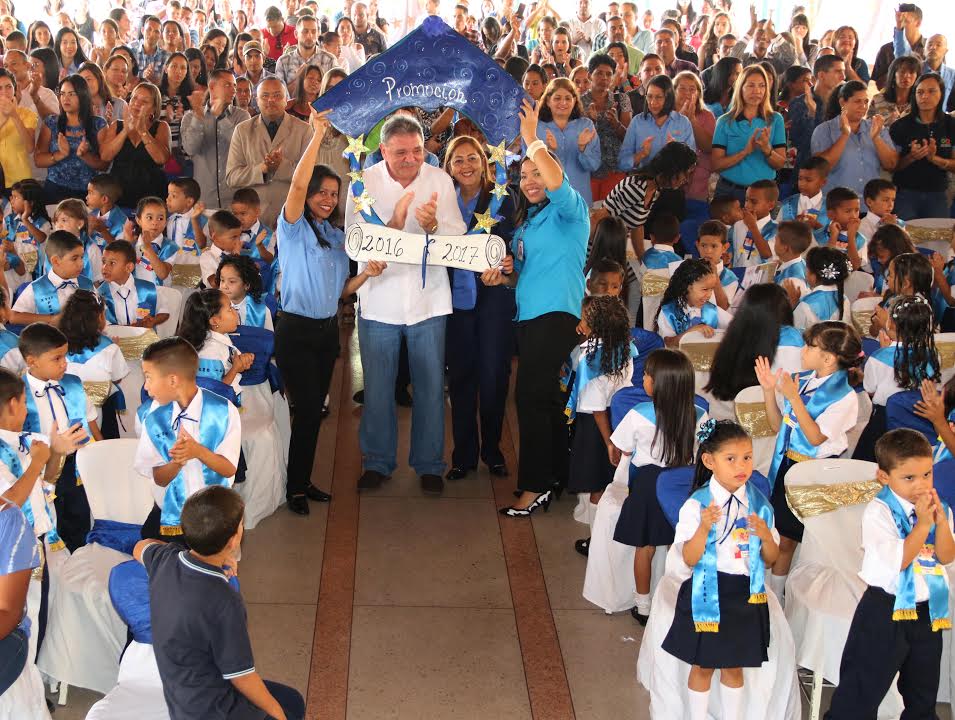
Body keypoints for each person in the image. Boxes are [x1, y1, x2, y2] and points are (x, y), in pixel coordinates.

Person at [344, 113, 463, 495]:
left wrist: (434, 228)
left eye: (416, 150)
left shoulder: (440, 179)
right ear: (383, 150)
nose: (412, 159)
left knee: (429, 386)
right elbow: (353, 238)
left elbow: (458, 237)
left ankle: (429, 464)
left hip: (428, 301)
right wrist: (393, 224)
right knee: (378, 387)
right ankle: (377, 461)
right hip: (379, 298)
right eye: (401, 153)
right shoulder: (363, 183)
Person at [275, 109, 378, 509]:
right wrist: (317, 136)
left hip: (325, 332)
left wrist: (366, 273)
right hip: (296, 331)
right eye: (322, 191)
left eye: (334, 194)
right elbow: (297, 185)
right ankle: (295, 488)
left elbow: (342, 291)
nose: (327, 199)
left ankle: (302, 481)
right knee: (305, 414)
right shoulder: (294, 227)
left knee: (315, 413)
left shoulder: (335, 236)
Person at [133, 487, 305, 720]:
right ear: (234, 540)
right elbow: (241, 677)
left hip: (181, 696)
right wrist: (277, 714)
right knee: (288, 709)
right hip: (213, 709)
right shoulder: (225, 601)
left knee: (291, 699)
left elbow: (140, 547)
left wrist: (218, 556)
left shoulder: (166, 560)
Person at [824, 429, 954, 719]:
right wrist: (923, 526)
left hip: (927, 612)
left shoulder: (937, 507)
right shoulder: (878, 513)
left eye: (927, 475)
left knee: (922, 693)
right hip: (885, 611)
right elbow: (901, 561)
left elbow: (946, 556)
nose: (920, 485)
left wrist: (941, 524)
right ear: (884, 476)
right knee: (861, 690)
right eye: (909, 478)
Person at [661, 420, 778, 720]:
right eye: (731, 459)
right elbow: (688, 557)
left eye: (748, 457)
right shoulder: (697, 504)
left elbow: (771, 558)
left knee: (734, 665)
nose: (742, 466)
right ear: (709, 461)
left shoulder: (759, 504)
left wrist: (765, 536)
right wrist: (703, 528)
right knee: (703, 665)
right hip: (707, 592)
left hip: (745, 595)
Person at [755, 320, 861, 601]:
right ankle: (772, 590)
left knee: (795, 538)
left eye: (810, 346)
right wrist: (769, 391)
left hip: (816, 472)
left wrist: (793, 397)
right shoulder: (803, 380)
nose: (803, 350)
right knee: (780, 533)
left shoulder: (846, 397)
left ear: (827, 357)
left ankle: (778, 594)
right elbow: (780, 426)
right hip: (787, 463)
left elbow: (815, 438)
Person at [609, 348, 708, 623]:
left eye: (647, 375)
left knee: (646, 547)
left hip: (648, 486)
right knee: (679, 546)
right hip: (683, 486)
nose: (643, 378)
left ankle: (643, 605)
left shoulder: (638, 414)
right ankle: (675, 601)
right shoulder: (700, 414)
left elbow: (620, 449)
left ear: (658, 384)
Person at [442, 134, 517, 482]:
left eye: (472, 158)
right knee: (460, 381)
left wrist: (509, 263)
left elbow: (516, 244)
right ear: (449, 167)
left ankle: (493, 451)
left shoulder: (502, 198)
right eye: (458, 160)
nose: (466, 166)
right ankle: (463, 456)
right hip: (454, 304)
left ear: (484, 163)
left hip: (493, 302)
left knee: (493, 379)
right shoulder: (442, 203)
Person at [135, 337, 241, 541]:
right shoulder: (153, 418)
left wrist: (198, 451)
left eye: (149, 377)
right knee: (150, 547)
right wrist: (177, 461)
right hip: (172, 514)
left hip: (214, 514)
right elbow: (159, 477)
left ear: (173, 380)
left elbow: (229, 469)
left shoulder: (223, 411)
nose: (146, 387)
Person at [17, 322, 99, 551]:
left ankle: (78, 559)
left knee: (78, 518)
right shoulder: (17, 394)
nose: (65, 363)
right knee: (49, 522)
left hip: (74, 468)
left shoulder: (72, 384)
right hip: (38, 470)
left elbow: (90, 420)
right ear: (32, 360)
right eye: (57, 358)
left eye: (65, 356)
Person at [566, 294, 633, 555]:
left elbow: (596, 409)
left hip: (596, 429)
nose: (580, 322)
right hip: (619, 418)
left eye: (585, 319)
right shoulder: (624, 350)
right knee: (610, 483)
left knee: (597, 487)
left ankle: (596, 543)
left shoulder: (592, 360)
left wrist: (608, 443)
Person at [854, 295, 939, 462]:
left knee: (868, 460)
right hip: (921, 416)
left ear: (890, 324)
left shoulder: (878, 357)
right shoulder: (933, 355)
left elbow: (870, 390)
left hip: (884, 421)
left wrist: (884, 351)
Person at [226, 77, 314, 228]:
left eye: (277, 95)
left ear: (286, 99)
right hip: (252, 222)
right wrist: (263, 169)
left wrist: (281, 166)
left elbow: (311, 177)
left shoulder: (304, 130)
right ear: (256, 100)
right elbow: (231, 177)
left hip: (291, 216)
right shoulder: (242, 130)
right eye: (265, 96)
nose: (271, 100)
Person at [705, 283, 804, 410]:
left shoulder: (735, 332)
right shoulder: (792, 340)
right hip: (772, 414)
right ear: (784, 310)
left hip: (727, 409)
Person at [598, 140, 698, 258]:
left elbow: (637, 225)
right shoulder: (635, 188)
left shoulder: (655, 189)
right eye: (685, 173)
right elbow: (597, 220)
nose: (686, 179)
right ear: (672, 169)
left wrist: (642, 260)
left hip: (616, 249)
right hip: (601, 251)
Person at [711, 64, 786, 203]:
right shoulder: (724, 121)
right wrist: (745, 152)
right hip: (729, 192)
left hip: (762, 195)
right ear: (740, 88)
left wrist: (767, 150)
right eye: (751, 85)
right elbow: (716, 164)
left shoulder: (775, 119)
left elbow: (780, 163)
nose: (757, 91)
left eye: (762, 85)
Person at [810, 81, 898, 198]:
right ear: (842, 102)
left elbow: (891, 164)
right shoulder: (825, 130)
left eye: (866, 101)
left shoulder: (876, 127)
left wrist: (876, 138)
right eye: (857, 101)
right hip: (837, 206)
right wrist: (845, 135)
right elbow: (821, 169)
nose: (863, 106)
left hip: (870, 206)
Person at [889, 72, 955, 220]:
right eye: (920, 92)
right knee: (904, 240)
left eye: (931, 91)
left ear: (941, 94)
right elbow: (892, 166)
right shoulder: (900, 126)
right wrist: (911, 157)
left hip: (937, 195)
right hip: (905, 194)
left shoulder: (951, 125)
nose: (925, 96)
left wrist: (935, 159)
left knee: (937, 241)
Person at [181, 69, 249, 210]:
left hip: (234, 200)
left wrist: (221, 119)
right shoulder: (190, 117)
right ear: (212, 87)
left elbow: (242, 148)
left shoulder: (242, 116)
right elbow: (190, 149)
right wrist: (198, 118)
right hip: (204, 200)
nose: (233, 90)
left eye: (234, 86)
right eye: (227, 85)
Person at [34, 74, 107, 204]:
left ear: (83, 95)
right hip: (54, 190)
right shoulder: (51, 123)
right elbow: (38, 160)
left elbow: (104, 165)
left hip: (87, 193)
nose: (65, 98)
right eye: (62, 94)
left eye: (71, 94)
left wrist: (85, 156)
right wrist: (60, 154)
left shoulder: (99, 125)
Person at [99, 82, 172, 209]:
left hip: (151, 197)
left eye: (144, 101)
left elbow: (161, 158)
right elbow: (105, 156)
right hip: (119, 195)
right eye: (135, 98)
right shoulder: (117, 125)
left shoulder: (161, 126)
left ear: (154, 109)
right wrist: (125, 131)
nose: (137, 103)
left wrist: (142, 131)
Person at [535, 77, 600, 206]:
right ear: (548, 101)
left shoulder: (586, 126)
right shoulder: (537, 128)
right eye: (557, 98)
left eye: (568, 98)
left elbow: (594, 165)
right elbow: (530, 168)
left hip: (580, 200)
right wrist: (550, 153)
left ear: (575, 100)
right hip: (547, 201)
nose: (563, 103)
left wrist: (582, 148)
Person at [10, 230, 93, 326]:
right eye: (74, 258)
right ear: (56, 261)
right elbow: (14, 317)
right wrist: (51, 319)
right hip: (50, 339)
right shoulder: (37, 288)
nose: (81, 263)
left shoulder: (87, 284)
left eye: (82, 257)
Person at [618, 74, 695, 175]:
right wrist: (641, 154)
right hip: (643, 185)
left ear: (669, 98)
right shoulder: (637, 122)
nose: (653, 102)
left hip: (673, 186)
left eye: (659, 97)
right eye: (649, 96)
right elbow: (621, 163)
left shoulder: (683, 123)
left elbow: (692, 163)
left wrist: (675, 152)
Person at [581, 54, 632, 203]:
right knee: (589, 216)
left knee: (609, 218)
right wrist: (589, 120)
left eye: (609, 74)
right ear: (590, 75)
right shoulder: (578, 102)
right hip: (587, 171)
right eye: (599, 73)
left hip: (615, 169)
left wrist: (616, 124)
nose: (604, 78)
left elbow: (628, 139)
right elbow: (575, 139)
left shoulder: (621, 99)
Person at [787, 54, 846, 175]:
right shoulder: (799, 103)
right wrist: (812, 113)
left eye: (844, 72)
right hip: (809, 174)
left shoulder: (844, 104)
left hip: (838, 172)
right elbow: (801, 143)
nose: (843, 77)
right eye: (838, 71)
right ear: (821, 75)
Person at [655, 258, 732, 344]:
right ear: (686, 287)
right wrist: (689, 333)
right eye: (705, 289)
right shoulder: (669, 312)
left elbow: (735, 325)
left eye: (712, 289)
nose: (709, 294)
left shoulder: (711, 310)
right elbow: (667, 343)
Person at [98, 239, 169, 328]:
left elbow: (164, 311)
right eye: (104, 262)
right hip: (115, 340)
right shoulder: (99, 295)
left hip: (144, 340)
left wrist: (153, 321)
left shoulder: (148, 289)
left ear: (129, 267)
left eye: (112, 263)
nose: (105, 267)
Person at [872, 3, 925, 91]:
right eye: (898, 22)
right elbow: (877, 82)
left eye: (905, 21)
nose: (901, 25)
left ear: (918, 23)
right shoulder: (886, 49)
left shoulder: (931, 48)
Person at [275, 15, 337, 89]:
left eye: (314, 32)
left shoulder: (330, 60)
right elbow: (279, 95)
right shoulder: (283, 61)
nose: (309, 35)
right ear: (296, 34)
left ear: (318, 34)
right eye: (305, 31)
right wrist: (297, 79)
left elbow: (336, 93)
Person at [0, 68, 36, 192]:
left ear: (15, 89)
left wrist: (14, 115)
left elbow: (30, 147)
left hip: (19, 181)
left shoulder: (28, 114)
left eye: (8, 87)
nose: (4, 92)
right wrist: (4, 118)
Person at [868, 55, 919, 128]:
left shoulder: (919, 102)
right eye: (902, 71)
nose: (907, 76)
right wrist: (887, 124)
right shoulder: (877, 99)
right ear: (894, 75)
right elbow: (867, 129)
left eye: (911, 72)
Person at [132, 16, 169, 85]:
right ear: (142, 30)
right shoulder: (132, 53)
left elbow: (167, 84)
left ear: (160, 35)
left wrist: (153, 79)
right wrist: (142, 78)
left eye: (156, 31)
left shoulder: (166, 57)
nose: (152, 34)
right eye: (149, 29)